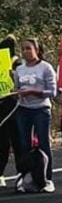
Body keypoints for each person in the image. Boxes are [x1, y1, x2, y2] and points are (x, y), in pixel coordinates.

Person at [13, 38, 57, 193]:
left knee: (43, 144)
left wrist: (33, 92)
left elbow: (52, 92)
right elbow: (17, 88)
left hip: (40, 109)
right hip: (23, 110)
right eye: (23, 49)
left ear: (37, 50)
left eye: (29, 48)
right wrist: (16, 93)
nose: (26, 51)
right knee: (24, 145)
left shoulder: (46, 68)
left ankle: (47, 179)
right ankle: (26, 178)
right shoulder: (19, 69)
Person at [0, 36, 20, 187]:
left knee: (9, 142)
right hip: (11, 105)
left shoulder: (17, 64)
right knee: (11, 142)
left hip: (12, 104)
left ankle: (21, 173)